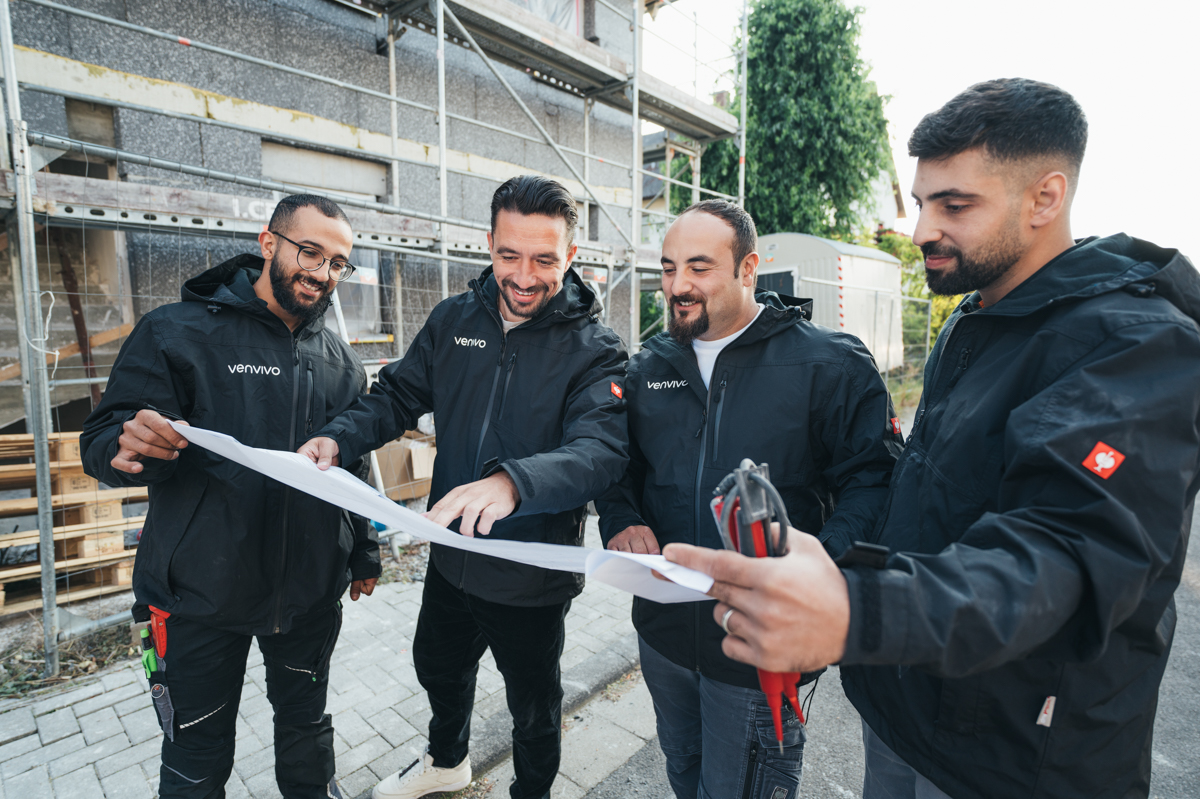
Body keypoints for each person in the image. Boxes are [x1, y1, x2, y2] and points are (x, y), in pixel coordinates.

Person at [663, 79, 1200, 799]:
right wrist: (833, 557)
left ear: (1045, 197)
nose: (921, 230)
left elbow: (1062, 553)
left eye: (955, 204)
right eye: (921, 203)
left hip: (1017, 758)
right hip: (906, 712)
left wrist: (858, 611)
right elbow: (932, 498)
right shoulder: (972, 319)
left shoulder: (1136, 346)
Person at [298, 175, 628, 799]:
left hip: (529, 574)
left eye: (544, 259)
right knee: (438, 667)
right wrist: (340, 438)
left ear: (572, 256)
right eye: (509, 255)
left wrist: (514, 482)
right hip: (451, 560)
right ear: (489, 244)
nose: (524, 276)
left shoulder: (596, 350)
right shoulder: (454, 319)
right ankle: (447, 762)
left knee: (534, 707)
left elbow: (601, 451)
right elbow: (397, 395)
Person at [596, 200, 903, 799]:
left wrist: (817, 565)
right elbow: (618, 469)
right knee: (684, 771)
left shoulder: (829, 364)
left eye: (699, 268)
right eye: (667, 268)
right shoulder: (647, 366)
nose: (677, 286)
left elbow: (875, 482)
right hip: (662, 636)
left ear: (747, 269)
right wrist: (622, 517)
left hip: (762, 648)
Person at [80, 195, 381, 798]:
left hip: (307, 596)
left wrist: (363, 548)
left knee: (306, 733)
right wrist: (125, 444)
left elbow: (353, 465)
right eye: (309, 252)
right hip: (195, 598)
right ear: (268, 243)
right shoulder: (176, 331)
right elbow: (103, 439)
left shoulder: (341, 362)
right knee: (195, 754)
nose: (323, 273)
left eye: (338, 263)